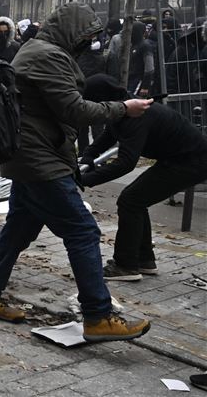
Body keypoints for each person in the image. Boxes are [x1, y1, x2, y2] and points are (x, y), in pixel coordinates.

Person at [0, 2, 153, 343]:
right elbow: (74, 109)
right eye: (85, 37)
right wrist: (122, 109)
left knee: (17, 231)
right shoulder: (48, 56)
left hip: (29, 155)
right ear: (72, 32)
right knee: (83, 231)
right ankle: (98, 316)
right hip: (40, 159)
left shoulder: (36, 49)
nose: (88, 44)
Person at [80, 74, 207, 280]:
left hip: (191, 161)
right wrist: (88, 156)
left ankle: (126, 265)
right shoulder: (122, 111)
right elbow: (109, 136)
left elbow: (126, 163)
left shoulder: (135, 116)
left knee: (131, 200)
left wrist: (86, 180)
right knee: (136, 201)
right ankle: (143, 260)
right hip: (177, 158)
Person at [125, 21, 154, 96]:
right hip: (131, 80)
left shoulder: (145, 46)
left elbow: (149, 68)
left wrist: (145, 86)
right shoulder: (132, 46)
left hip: (139, 81)